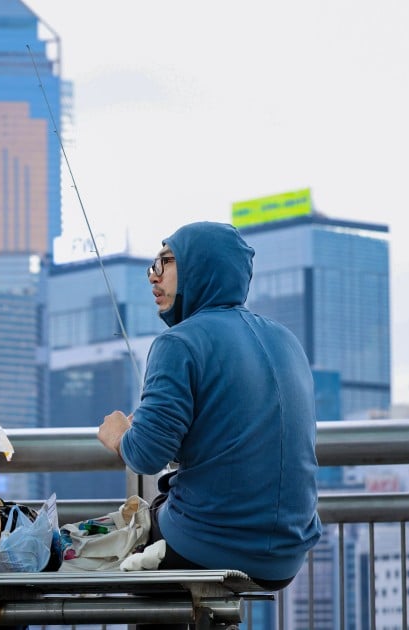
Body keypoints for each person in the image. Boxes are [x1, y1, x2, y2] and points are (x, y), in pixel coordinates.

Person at [97, 221, 322, 590]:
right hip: (287, 553)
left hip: (212, 544)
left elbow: (146, 456)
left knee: (126, 544)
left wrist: (119, 433)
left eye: (165, 261)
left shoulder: (178, 343)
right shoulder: (286, 339)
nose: (153, 277)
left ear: (200, 266)